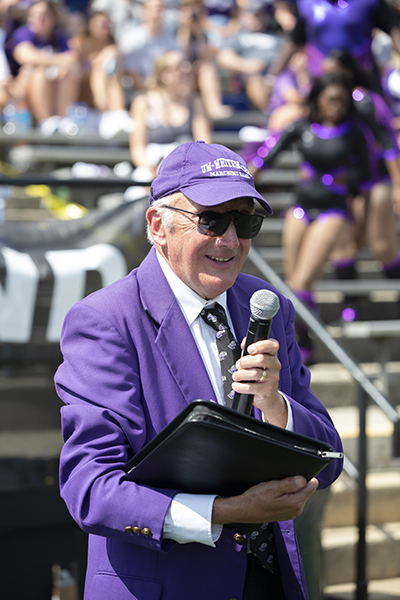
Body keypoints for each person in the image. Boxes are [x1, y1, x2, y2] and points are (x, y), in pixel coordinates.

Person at [54, 139, 343, 599]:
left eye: (244, 220)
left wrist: (274, 403)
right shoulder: (106, 321)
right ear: (157, 226)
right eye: (210, 219)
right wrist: (226, 511)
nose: (230, 239)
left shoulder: (267, 307)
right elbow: (91, 490)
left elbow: (328, 459)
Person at [253, 74, 374, 362]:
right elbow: (268, 153)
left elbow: (367, 178)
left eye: (342, 101)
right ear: (318, 98)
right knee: (293, 284)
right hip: (301, 207)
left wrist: (358, 212)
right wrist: (248, 175)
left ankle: (303, 347)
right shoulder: (302, 125)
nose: (337, 106)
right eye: (332, 99)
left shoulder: (355, 132)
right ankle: (302, 346)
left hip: (333, 209)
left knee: (303, 283)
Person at [128, 49, 211, 181]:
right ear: (164, 75)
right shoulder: (143, 102)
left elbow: (205, 144)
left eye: (187, 64)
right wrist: (150, 168)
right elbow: (138, 147)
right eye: (179, 66)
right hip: (152, 169)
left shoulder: (195, 101)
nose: (187, 69)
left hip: (187, 169)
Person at [5, 0, 82, 135]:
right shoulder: (24, 33)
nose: (39, 19)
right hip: (23, 93)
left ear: (53, 18)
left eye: (44, 15)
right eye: (35, 15)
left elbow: (73, 59)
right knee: (38, 72)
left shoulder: (59, 37)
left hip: (54, 89)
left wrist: (55, 67)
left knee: (67, 72)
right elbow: (25, 55)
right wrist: (57, 62)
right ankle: (46, 122)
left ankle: (61, 120)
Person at [69, 10, 133, 139]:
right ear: (90, 24)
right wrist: (100, 59)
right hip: (83, 93)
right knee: (101, 70)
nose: (103, 27)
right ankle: (106, 112)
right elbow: (74, 65)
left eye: (106, 24)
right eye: (99, 23)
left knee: (109, 70)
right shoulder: (79, 43)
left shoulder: (112, 46)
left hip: (105, 86)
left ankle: (117, 114)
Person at [216, 2, 283, 111]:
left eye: (259, 15)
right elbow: (223, 57)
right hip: (252, 76)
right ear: (243, 16)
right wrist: (247, 65)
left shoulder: (277, 36)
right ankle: (268, 113)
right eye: (252, 15)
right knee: (254, 79)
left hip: (278, 75)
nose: (256, 19)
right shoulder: (238, 37)